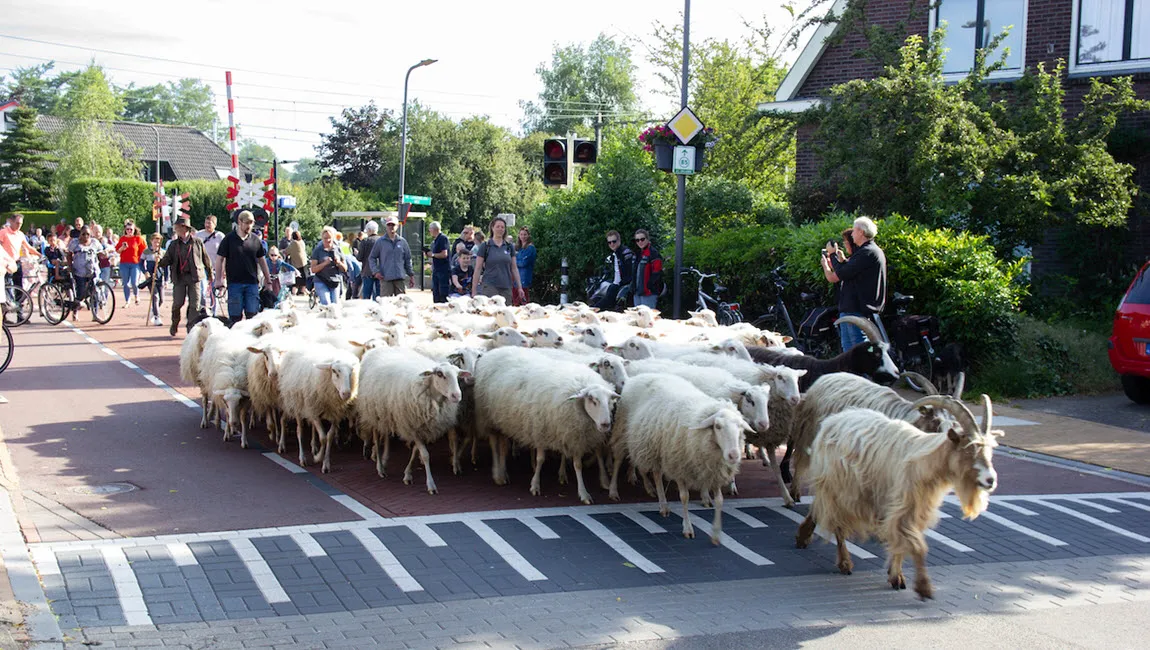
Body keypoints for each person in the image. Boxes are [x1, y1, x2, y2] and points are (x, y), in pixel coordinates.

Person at [822, 216, 887, 353]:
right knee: (850, 353)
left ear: (861, 232)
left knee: (857, 353)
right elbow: (853, 273)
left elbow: (841, 274)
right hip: (854, 309)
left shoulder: (867, 252)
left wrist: (832, 255)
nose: (851, 234)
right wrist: (842, 261)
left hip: (856, 310)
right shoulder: (869, 251)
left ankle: (863, 375)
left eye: (854, 231)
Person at [157, 216, 213, 335]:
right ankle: (175, 323)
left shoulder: (197, 242)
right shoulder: (173, 244)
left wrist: (210, 272)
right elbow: (168, 259)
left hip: (195, 277)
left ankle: (191, 328)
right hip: (179, 277)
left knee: (195, 304)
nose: (175, 229)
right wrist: (159, 262)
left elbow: (205, 258)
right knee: (178, 303)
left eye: (177, 227)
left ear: (184, 228)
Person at [214, 210, 270, 325]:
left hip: (252, 283)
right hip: (234, 283)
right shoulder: (229, 239)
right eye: (247, 223)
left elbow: (262, 260)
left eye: (251, 223)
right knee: (235, 318)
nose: (249, 226)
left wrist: (268, 280)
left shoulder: (255, 240)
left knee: (252, 316)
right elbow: (220, 259)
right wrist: (218, 279)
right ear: (239, 222)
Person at [471, 216, 525, 304]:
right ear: (492, 228)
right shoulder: (485, 246)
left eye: (502, 227)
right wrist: (474, 290)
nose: (500, 229)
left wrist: (519, 287)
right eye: (498, 226)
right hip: (489, 286)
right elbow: (478, 268)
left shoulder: (509, 246)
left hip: (506, 286)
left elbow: (514, 268)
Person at [368, 215, 414, 297]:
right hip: (385, 278)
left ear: (397, 226)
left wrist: (411, 275)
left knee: (401, 305)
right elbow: (372, 257)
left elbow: (408, 259)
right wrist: (375, 271)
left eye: (393, 225)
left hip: (399, 278)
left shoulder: (402, 242)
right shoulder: (380, 242)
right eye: (389, 225)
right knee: (385, 305)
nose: (391, 227)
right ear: (386, 226)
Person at [589, 230, 634, 311]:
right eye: (609, 242)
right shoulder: (615, 254)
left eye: (614, 241)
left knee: (603, 304)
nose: (612, 244)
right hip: (615, 284)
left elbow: (631, 272)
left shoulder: (626, 253)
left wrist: (625, 285)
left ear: (619, 241)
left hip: (623, 286)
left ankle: (591, 311)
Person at [66, 226, 104, 318]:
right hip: (80, 271)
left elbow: (100, 253)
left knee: (94, 292)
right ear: (80, 234)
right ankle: (75, 310)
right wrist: (70, 266)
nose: (86, 236)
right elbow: (69, 254)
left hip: (93, 270)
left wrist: (105, 254)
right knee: (81, 293)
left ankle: (95, 314)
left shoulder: (95, 243)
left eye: (88, 234)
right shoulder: (75, 243)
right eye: (83, 234)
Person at [1, 213, 42, 289]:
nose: (19, 225)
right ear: (11, 222)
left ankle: (18, 300)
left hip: (17, 262)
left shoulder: (20, 234)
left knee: (19, 287)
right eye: (17, 223)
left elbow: (29, 247)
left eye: (21, 224)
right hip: (6, 264)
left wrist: (40, 255)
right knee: (9, 286)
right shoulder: (3, 232)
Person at [310, 226, 347, 306]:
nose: (328, 240)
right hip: (321, 280)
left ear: (333, 237)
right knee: (326, 303)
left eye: (329, 238)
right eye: (325, 238)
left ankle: (334, 318)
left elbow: (345, 269)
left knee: (335, 304)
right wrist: (324, 263)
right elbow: (313, 269)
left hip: (335, 281)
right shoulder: (317, 250)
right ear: (322, 238)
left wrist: (338, 262)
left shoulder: (338, 249)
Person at [196, 214, 225, 316]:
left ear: (215, 224)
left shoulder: (220, 236)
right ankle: (203, 310)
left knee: (214, 291)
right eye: (206, 222)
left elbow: (225, 254)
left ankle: (214, 312)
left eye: (210, 223)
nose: (207, 225)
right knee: (202, 290)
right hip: (202, 267)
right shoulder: (198, 235)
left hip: (215, 267)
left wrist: (223, 270)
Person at [115, 220, 147, 305]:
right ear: (125, 230)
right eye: (127, 229)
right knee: (125, 283)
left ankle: (136, 295)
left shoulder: (138, 239)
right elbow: (118, 251)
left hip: (135, 263)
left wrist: (143, 261)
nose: (129, 231)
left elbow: (144, 251)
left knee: (134, 282)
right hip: (124, 263)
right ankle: (127, 300)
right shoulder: (122, 239)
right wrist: (122, 247)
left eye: (131, 229)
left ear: (134, 230)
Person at [630, 229, 663, 309]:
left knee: (648, 318)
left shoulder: (654, 253)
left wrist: (649, 286)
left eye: (642, 239)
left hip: (649, 294)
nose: (640, 242)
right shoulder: (637, 253)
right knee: (638, 318)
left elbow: (657, 272)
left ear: (647, 239)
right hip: (637, 292)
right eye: (637, 240)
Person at [139, 233, 166, 326]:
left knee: (161, 299)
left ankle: (154, 310)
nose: (157, 244)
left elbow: (166, 266)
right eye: (155, 242)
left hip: (160, 277)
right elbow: (140, 263)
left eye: (158, 243)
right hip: (151, 278)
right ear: (151, 241)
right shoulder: (146, 251)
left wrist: (161, 261)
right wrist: (145, 272)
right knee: (155, 296)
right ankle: (157, 317)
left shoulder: (162, 252)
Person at [426, 221, 451, 303]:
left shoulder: (443, 238)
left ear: (434, 229)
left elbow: (444, 254)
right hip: (437, 270)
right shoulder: (436, 240)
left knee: (442, 294)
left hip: (443, 270)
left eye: (430, 230)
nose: (429, 232)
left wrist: (432, 255)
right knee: (436, 293)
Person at [357, 221, 381, 300]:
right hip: (380, 271)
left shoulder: (365, 241)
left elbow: (360, 257)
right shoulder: (382, 241)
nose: (366, 232)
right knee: (378, 296)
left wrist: (357, 254)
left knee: (366, 296)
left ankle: (367, 311)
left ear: (370, 230)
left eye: (367, 231)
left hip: (367, 271)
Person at [515, 227, 536, 306]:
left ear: (528, 236)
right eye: (521, 234)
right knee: (515, 302)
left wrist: (513, 262)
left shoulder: (530, 248)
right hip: (515, 280)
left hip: (524, 278)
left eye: (525, 234)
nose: (523, 236)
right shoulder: (518, 248)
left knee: (524, 302)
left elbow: (524, 263)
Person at [286, 231, 308, 295]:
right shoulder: (302, 242)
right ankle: (302, 291)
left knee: (296, 279)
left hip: (297, 264)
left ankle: (294, 292)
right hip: (304, 262)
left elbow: (287, 251)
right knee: (303, 278)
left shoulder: (294, 243)